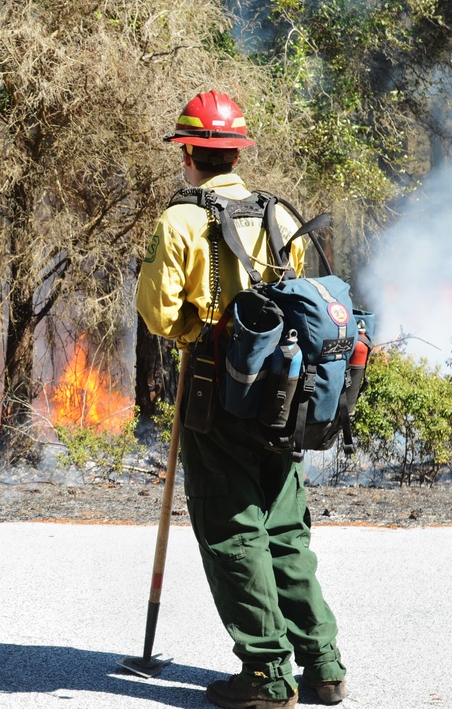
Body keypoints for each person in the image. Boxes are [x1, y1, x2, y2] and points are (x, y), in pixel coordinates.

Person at [135, 90, 349, 709]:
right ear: (236, 153)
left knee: (233, 528)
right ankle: (323, 665)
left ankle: (266, 675)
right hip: (284, 393)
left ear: (188, 153)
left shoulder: (180, 220)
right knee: (284, 528)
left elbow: (157, 314)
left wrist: (196, 335)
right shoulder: (279, 214)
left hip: (215, 393)